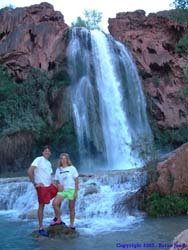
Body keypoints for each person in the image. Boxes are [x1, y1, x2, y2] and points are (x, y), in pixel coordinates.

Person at [28, 145, 57, 237]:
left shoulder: (48, 163)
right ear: (42, 152)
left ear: (50, 153)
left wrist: (54, 184)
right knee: (41, 206)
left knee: (60, 193)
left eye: (48, 151)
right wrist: (35, 184)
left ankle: (57, 218)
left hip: (49, 185)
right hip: (42, 187)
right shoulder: (38, 159)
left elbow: (49, 175)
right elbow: (29, 171)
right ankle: (40, 228)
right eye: (45, 151)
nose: (47, 152)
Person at [50, 153, 79, 230]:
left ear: (67, 159)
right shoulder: (58, 169)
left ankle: (72, 224)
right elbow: (56, 181)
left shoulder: (72, 168)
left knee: (71, 208)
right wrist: (58, 185)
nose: (63, 160)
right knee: (55, 203)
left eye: (65, 158)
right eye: (62, 158)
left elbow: (76, 181)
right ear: (60, 160)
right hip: (63, 191)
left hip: (71, 190)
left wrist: (76, 192)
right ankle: (59, 219)